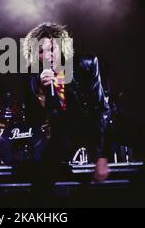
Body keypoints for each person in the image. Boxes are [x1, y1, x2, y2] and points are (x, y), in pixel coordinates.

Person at [21, 22, 112, 192]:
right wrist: (41, 91)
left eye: (52, 49)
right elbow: (33, 120)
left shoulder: (83, 65)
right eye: (41, 51)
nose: (48, 55)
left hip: (92, 130)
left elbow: (100, 109)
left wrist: (101, 155)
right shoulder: (32, 79)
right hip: (63, 135)